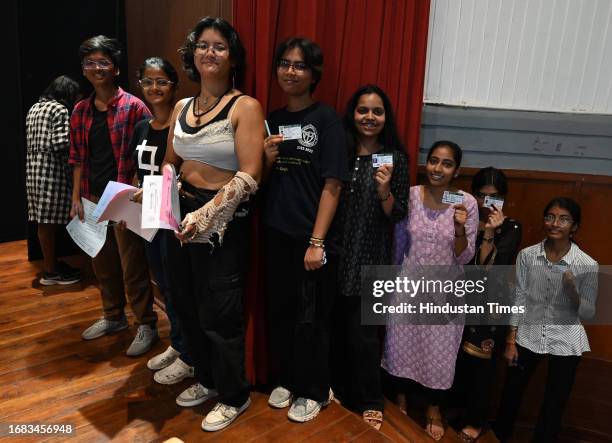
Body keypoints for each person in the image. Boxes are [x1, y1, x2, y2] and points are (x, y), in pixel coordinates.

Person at [162, 17, 264, 432]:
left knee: (219, 313)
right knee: (184, 305)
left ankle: (234, 396)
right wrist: (152, 196)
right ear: (192, 54)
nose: (209, 52)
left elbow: (250, 175)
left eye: (219, 46)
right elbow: (171, 163)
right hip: (177, 215)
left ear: (232, 56)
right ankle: (205, 378)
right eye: (203, 45)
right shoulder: (182, 107)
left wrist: (205, 216)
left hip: (220, 219)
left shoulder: (246, 107)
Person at [263, 37, 349, 423]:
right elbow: (263, 180)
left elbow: (333, 183)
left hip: (311, 238)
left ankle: (314, 389)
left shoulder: (326, 119)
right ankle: (288, 378)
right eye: (284, 63)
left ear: (314, 74)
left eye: (299, 65)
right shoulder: (273, 118)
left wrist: (317, 242)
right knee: (280, 312)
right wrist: (265, 160)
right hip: (275, 233)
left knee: (312, 317)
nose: (290, 71)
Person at [382, 140, 478, 440]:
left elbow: (465, 256)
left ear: (456, 171)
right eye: (434, 161)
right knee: (400, 344)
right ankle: (400, 397)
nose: (438, 168)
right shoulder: (411, 195)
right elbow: (399, 241)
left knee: (440, 352)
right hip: (409, 283)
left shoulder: (466, 203)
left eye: (446, 164)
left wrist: (460, 228)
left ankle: (435, 408)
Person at [69, 35, 158, 356]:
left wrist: (133, 193)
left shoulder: (134, 106)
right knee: (102, 262)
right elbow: (77, 158)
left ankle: (146, 323)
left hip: (123, 194)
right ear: (83, 69)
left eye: (103, 62)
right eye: (90, 63)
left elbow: (147, 152)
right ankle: (113, 316)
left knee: (132, 264)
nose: (96, 68)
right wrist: (76, 197)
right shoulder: (80, 110)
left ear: (116, 67)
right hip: (92, 196)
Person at [333, 84, 409, 430]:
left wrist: (383, 192)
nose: (369, 117)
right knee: (333, 327)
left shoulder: (395, 158)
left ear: (386, 117)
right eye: (363, 110)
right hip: (336, 252)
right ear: (352, 113)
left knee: (365, 335)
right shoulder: (340, 151)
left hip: (372, 255)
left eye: (377, 111)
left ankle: (370, 399)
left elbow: (398, 214)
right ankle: (335, 388)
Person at [494, 197, 598, 443]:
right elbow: (518, 296)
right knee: (511, 392)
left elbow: (588, 314)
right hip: (527, 334)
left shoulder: (587, 264)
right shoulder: (527, 256)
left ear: (574, 227)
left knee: (555, 401)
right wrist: (510, 340)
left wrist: (573, 292)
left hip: (566, 339)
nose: (555, 223)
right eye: (550, 217)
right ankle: (498, 436)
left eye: (564, 219)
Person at [127, 57, 194, 384]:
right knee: (164, 285)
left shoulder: (180, 128)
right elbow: (140, 173)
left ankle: (190, 355)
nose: (154, 88)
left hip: (176, 215)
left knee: (180, 287)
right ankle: (177, 344)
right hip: (148, 214)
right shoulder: (142, 126)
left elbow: (186, 175)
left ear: (174, 85)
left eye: (161, 81)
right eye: (148, 82)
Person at [451, 167, 522, 442]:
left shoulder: (512, 227)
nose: (486, 202)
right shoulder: (464, 220)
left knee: (483, 365)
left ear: (503, 198)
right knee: (457, 359)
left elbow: (492, 268)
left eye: (494, 196)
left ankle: (475, 420)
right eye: (481, 195)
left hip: (491, 304)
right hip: (459, 297)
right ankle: (453, 409)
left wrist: (490, 233)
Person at [25, 75, 82, 285]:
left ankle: (51, 266)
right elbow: (60, 143)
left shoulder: (34, 108)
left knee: (44, 221)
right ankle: (51, 271)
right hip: (52, 171)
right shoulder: (59, 109)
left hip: (33, 170)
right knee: (49, 222)